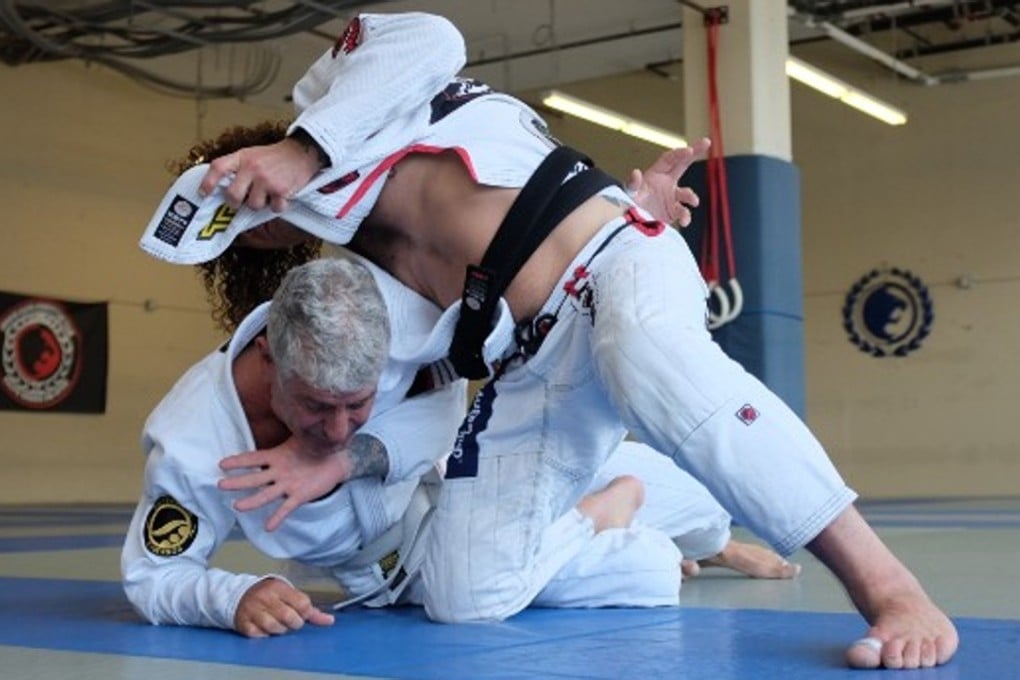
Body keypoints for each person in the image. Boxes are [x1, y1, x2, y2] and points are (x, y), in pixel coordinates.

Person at [138, 12, 956, 669]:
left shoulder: (343, 101)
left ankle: (888, 587)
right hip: (529, 365)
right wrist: (339, 464)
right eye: (241, 232)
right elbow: (439, 394)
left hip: (608, 266)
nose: (258, 214)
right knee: (464, 595)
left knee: (646, 359)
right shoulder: (354, 284)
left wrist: (301, 148)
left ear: (254, 150)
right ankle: (660, 511)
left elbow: (434, 38)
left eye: (246, 190)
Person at [123, 253, 796, 638]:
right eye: (314, 409)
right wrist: (232, 597)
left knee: (698, 492)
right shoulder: (192, 439)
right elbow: (154, 578)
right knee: (644, 574)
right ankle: (610, 518)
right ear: (270, 355)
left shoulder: (394, 319)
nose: (336, 425)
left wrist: (343, 458)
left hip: (448, 480)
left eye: (356, 405)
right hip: (395, 573)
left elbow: (446, 396)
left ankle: (699, 538)